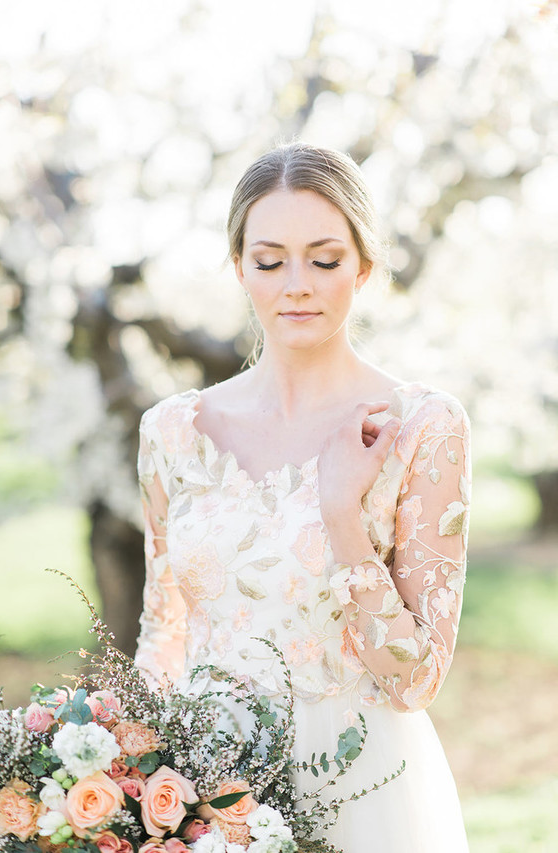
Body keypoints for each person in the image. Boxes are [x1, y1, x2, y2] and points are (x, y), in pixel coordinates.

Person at [134, 141, 471, 851]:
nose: (297, 286)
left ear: (364, 266)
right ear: (239, 267)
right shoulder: (171, 431)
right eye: (269, 261)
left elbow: (416, 681)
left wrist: (341, 513)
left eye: (324, 260)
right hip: (205, 793)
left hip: (363, 789)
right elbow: (163, 636)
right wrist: (128, 782)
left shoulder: (421, 426)